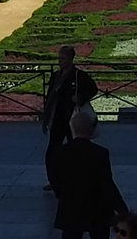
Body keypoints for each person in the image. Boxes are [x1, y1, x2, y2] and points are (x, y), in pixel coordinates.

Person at [51, 104, 127, 239]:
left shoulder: (60, 153)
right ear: (91, 130)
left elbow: (55, 180)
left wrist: (62, 195)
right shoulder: (100, 153)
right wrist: (122, 209)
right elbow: (107, 184)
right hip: (97, 210)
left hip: (70, 207)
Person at [43, 45, 98, 191]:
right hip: (58, 118)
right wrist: (46, 116)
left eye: (63, 58)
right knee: (53, 150)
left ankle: (77, 178)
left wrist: (80, 98)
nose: (60, 61)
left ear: (71, 59)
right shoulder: (56, 76)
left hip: (73, 119)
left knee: (75, 150)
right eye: (59, 58)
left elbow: (93, 89)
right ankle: (54, 180)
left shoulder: (78, 75)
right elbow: (50, 97)